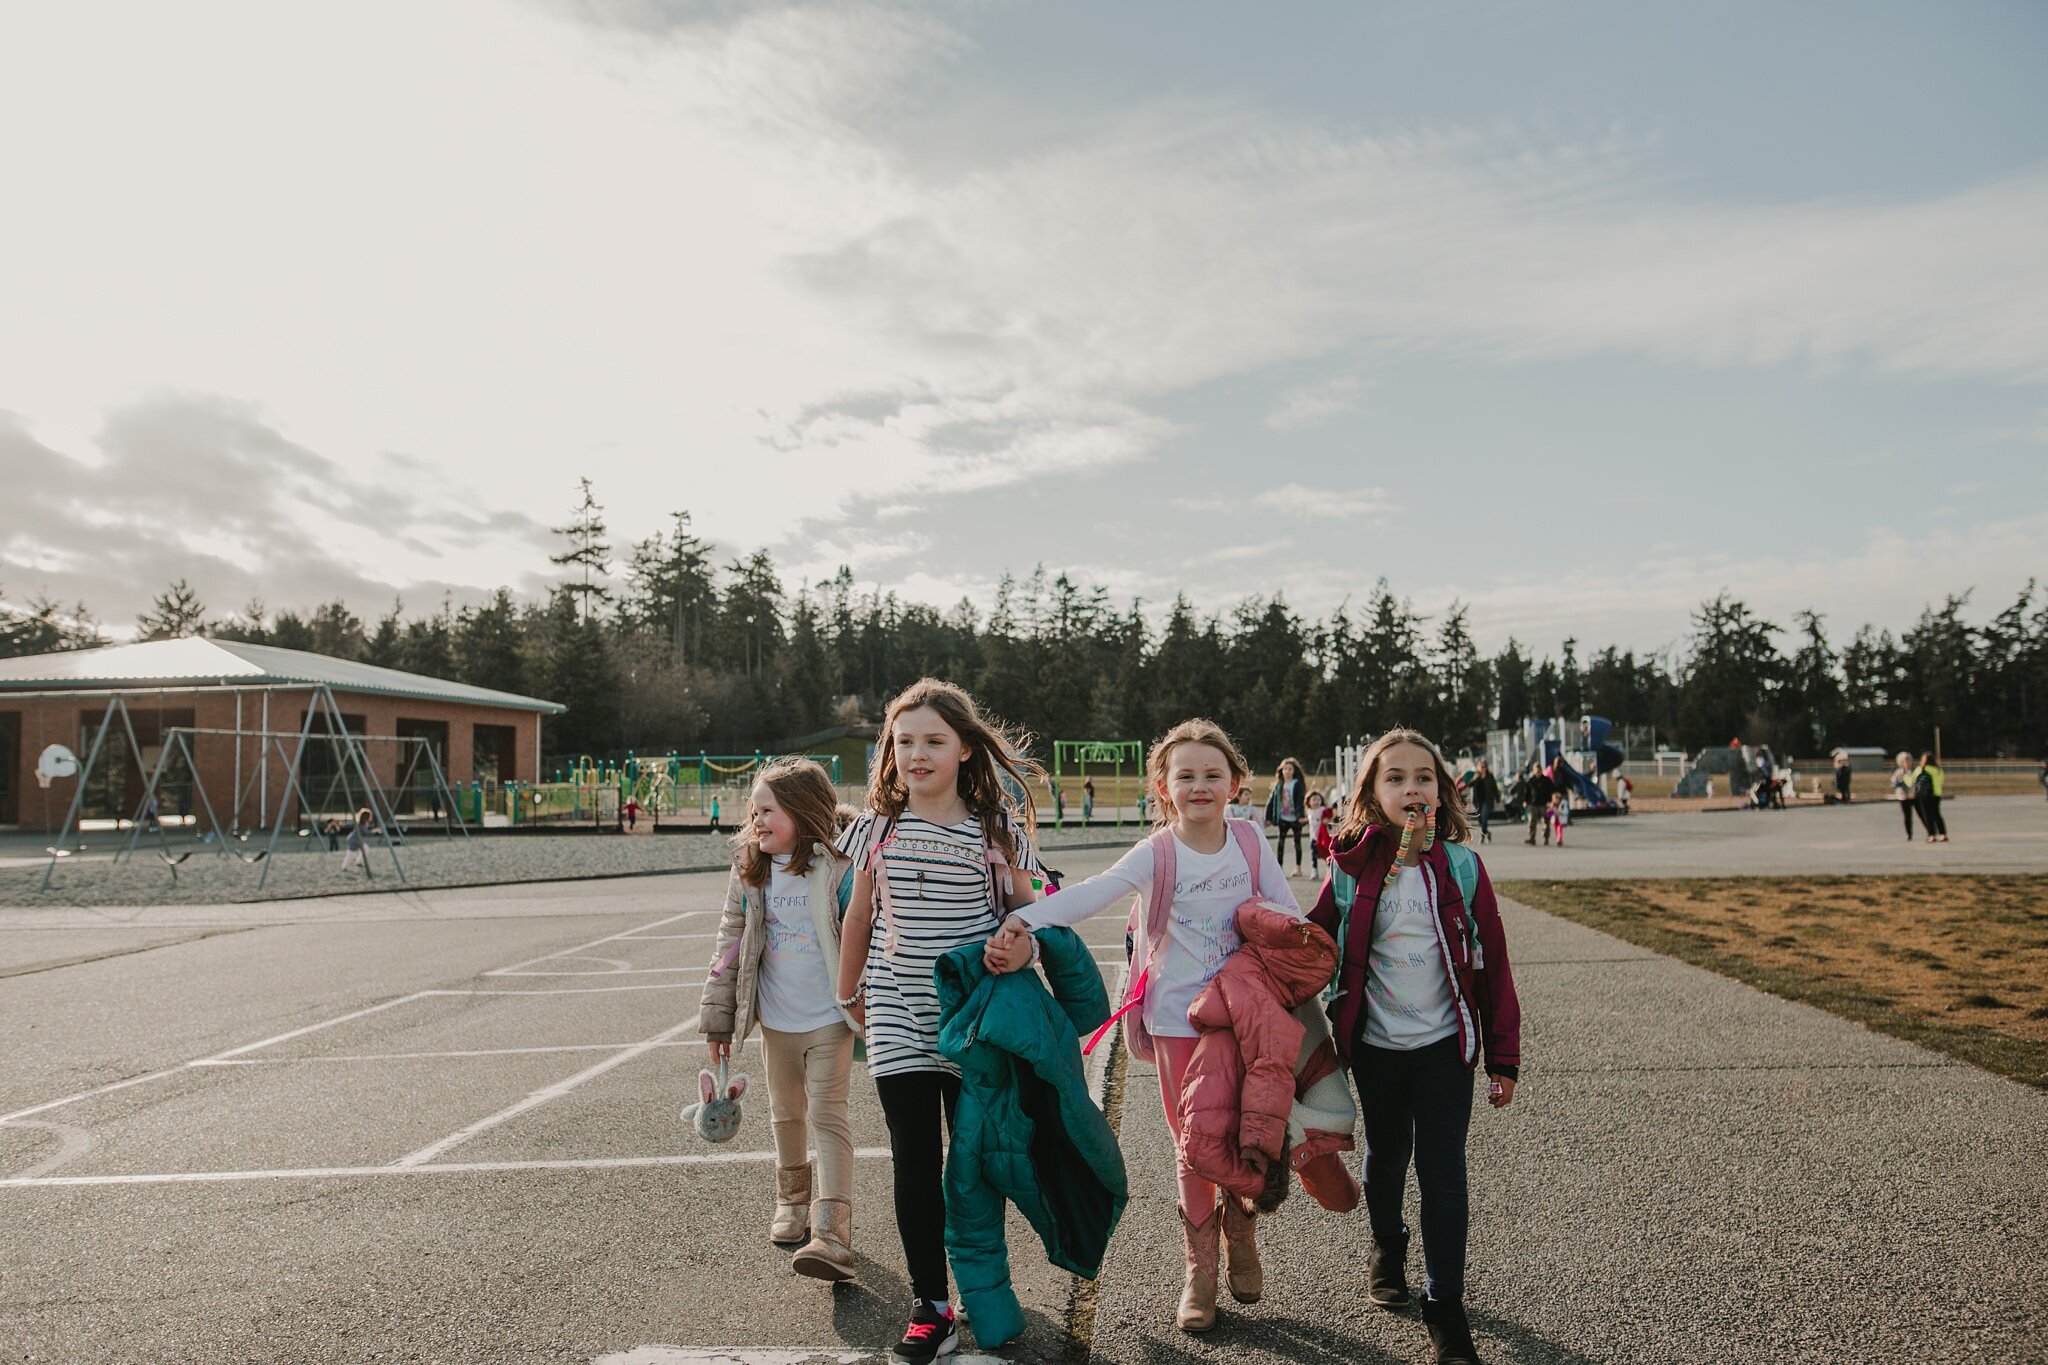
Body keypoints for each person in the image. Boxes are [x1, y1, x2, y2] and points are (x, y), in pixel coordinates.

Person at [986, 719, 1300, 1333]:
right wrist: (1031, 921)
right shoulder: (1156, 852)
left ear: (1235, 783)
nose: (1200, 785)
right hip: (1178, 1019)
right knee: (1193, 1144)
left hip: (1244, 1016)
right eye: (1186, 776)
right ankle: (1199, 1268)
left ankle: (1242, 1224)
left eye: (1213, 775)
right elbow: (1095, 892)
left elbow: (1286, 915)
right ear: (1164, 787)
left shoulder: (1251, 842)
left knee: (1248, 1128)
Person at [833, 679, 1045, 1362]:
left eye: (933, 740)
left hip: (973, 1016)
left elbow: (1027, 913)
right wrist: (848, 993)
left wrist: (1020, 940)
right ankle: (930, 1306)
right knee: (915, 1160)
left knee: (974, 1164)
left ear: (962, 747)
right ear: (889, 751)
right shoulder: (877, 829)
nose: (917, 753)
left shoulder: (994, 828)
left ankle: (984, 1287)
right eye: (904, 741)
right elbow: (860, 915)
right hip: (898, 1013)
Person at [1309, 729, 1521, 1365]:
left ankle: (1445, 1306)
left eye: (1423, 777)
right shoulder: (1348, 866)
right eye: (1394, 778)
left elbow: (1495, 963)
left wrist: (1504, 1055)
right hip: (1375, 1047)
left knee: (1444, 1173)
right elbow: (1313, 942)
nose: (1410, 788)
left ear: (1441, 790)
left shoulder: (1461, 866)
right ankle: (1387, 1244)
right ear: (1372, 793)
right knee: (1388, 1154)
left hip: (1444, 1046)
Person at [699, 759, 860, 1281]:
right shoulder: (751, 868)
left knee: (827, 1114)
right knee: (785, 1111)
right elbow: (729, 945)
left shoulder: (837, 868)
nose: (756, 820)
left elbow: (864, 936)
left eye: (767, 810)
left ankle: (832, 1227)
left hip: (829, 1019)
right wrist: (718, 1021)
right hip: (776, 1020)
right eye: (754, 811)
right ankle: (791, 1202)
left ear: (800, 811)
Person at [1266, 756, 1309, 877]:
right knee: (1281, 842)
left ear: (1294, 771)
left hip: (1295, 818)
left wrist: (1300, 816)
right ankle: (1280, 867)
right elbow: (1271, 801)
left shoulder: (1297, 784)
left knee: (1297, 842)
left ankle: (1298, 867)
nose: (1287, 771)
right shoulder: (1279, 785)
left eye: (1290, 769)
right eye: (1285, 769)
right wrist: (1268, 818)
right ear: (1281, 771)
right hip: (1283, 818)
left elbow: (1301, 801)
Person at [1914, 752, 1948, 843]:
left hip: (1925, 794)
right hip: (1936, 794)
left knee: (1927, 815)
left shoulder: (1921, 769)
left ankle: (1931, 835)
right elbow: (1941, 781)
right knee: (1937, 814)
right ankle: (1943, 834)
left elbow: (1912, 780)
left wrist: (1905, 776)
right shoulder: (1938, 770)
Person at [1463, 760, 1500, 846]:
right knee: (1481, 820)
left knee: (1484, 818)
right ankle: (1487, 832)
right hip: (1478, 801)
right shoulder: (1476, 776)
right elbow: (1468, 785)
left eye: (1484, 767)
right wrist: (1475, 778)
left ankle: (1482, 837)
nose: (1483, 768)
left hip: (1487, 801)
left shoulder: (1490, 776)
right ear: (1478, 767)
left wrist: (1497, 800)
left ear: (1486, 768)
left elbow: (1495, 788)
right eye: (1481, 767)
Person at [1522, 761, 1555, 846]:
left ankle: (1546, 838)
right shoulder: (1530, 781)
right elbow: (1527, 792)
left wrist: (1552, 802)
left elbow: (1552, 792)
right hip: (1533, 804)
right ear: (1533, 769)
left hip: (1545, 805)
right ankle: (1532, 838)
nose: (1538, 770)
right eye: (1536, 768)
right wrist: (1525, 801)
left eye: (1539, 768)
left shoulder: (1547, 780)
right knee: (1532, 822)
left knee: (1546, 822)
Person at [1889, 752, 1919, 841]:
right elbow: (1893, 783)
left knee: (1922, 814)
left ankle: (1930, 832)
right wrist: (1900, 781)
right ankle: (1909, 834)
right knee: (1907, 816)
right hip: (1904, 796)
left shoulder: (1916, 771)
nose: (1907, 763)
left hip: (1915, 796)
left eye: (1908, 760)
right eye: (1904, 761)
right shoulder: (1898, 772)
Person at [338, 808, 373, 876]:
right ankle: (344, 867)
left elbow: (351, 824)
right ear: (367, 817)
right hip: (353, 840)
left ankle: (359, 862)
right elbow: (366, 832)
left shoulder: (363, 823)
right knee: (351, 854)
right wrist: (374, 831)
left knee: (365, 848)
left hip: (357, 840)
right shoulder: (362, 824)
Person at [1309, 789, 1335, 876]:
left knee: (1325, 854)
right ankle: (1314, 870)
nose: (1316, 802)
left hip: (1322, 837)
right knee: (1313, 855)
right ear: (1309, 801)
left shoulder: (1322, 809)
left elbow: (1329, 815)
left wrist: (1326, 820)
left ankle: (1329, 868)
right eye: (1314, 799)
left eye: (1318, 799)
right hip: (1313, 837)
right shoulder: (1309, 811)